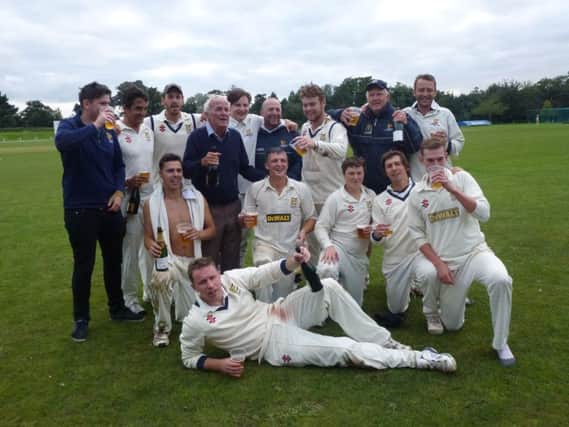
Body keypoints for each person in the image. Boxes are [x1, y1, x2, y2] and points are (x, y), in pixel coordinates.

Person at [179, 248, 457, 376]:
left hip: (279, 312)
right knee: (344, 349)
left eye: (213, 277)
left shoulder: (230, 279)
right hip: (269, 345)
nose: (212, 285)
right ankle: (419, 359)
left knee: (328, 286)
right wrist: (218, 365)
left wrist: (293, 261)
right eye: (203, 282)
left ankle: (386, 342)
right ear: (194, 286)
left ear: (218, 273)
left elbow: (263, 273)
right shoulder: (196, 320)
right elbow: (189, 356)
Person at [407, 138, 515, 367]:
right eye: (431, 161)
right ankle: (451, 305)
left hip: (475, 253)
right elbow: (417, 235)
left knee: (501, 279)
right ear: (421, 160)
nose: (436, 165)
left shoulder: (462, 178)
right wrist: (439, 264)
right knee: (452, 325)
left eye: (440, 159)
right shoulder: (417, 193)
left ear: (446, 156)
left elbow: (484, 214)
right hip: (448, 262)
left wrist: (452, 188)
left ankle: (500, 343)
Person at [55, 81, 144, 342]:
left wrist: (118, 191)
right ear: (87, 104)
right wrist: (94, 126)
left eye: (108, 103)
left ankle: (116, 308)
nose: (108, 108)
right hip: (80, 208)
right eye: (102, 103)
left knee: (113, 260)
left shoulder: (109, 132)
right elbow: (64, 144)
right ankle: (81, 319)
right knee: (84, 264)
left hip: (110, 207)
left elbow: (118, 165)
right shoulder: (70, 127)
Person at [182, 95, 265, 272]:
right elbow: (186, 169)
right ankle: (208, 296)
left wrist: (269, 176)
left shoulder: (234, 137)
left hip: (233, 206)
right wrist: (202, 163)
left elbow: (244, 168)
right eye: (218, 109)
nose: (224, 113)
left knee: (232, 259)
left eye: (226, 110)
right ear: (207, 114)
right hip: (207, 208)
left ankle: (230, 296)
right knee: (208, 258)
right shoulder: (197, 137)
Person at [143, 153, 216, 347]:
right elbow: (148, 236)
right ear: (161, 174)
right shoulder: (152, 202)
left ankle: (187, 311)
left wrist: (199, 234)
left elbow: (211, 229)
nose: (175, 175)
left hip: (194, 262)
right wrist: (151, 245)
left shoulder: (196, 197)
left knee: (191, 319)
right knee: (161, 278)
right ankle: (161, 329)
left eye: (178, 170)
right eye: (170, 171)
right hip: (170, 259)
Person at [241, 147, 316, 302]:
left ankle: (278, 319)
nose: (279, 164)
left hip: (289, 249)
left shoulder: (300, 188)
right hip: (264, 245)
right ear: (267, 165)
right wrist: (243, 220)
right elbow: (245, 217)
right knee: (263, 270)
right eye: (274, 161)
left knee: (282, 297)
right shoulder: (256, 188)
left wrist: (303, 233)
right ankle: (262, 315)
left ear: (287, 165)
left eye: (283, 161)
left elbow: (311, 218)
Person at [333, 79, 423, 195]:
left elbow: (415, 146)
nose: (375, 98)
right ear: (367, 98)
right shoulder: (357, 118)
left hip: (395, 188)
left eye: (379, 94)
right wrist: (339, 113)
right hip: (364, 189)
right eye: (371, 95)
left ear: (387, 96)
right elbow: (325, 117)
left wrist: (407, 124)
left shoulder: (398, 117)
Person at [295, 83, 348, 261]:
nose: (308, 108)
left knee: (332, 247)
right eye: (305, 105)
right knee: (312, 246)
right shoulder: (304, 127)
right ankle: (316, 286)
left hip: (330, 196)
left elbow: (341, 151)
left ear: (323, 102)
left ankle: (337, 284)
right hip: (309, 197)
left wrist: (315, 144)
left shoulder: (335, 128)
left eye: (312, 104)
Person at [370, 150, 422, 327]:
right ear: (385, 172)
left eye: (397, 164)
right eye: (389, 166)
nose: (394, 168)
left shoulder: (422, 190)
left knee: (430, 274)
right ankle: (409, 286)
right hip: (396, 258)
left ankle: (433, 310)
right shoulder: (380, 200)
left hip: (422, 253)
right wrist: (376, 234)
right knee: (396, 309)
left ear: (406, 166)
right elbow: (378, 238)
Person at [314, 157, 375, 306]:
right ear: (344, 175)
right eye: (351, 173)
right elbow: (320, 226)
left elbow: (378, 223)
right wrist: (328, 246)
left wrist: (372, 230)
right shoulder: (335, 198)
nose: (356, 177)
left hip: (358, 256)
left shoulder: (371, 196)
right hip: (338, 248)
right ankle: (324, 306)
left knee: (355, 305)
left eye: (359, 173)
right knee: (326, 270)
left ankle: (342, 283)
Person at [116, 85, 154, 315]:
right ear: (125, 108)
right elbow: (107, 167)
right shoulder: (116, 132)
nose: (141, 114)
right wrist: (125, 181)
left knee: (151, 248)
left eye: (144, 109)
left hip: (150, 198)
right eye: (137, 109)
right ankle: (128, 298)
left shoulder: (148, 130)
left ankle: (150, 290)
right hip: (128, 198)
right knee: (129, 251)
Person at [403, 74, 465, 182]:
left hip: (443, 179)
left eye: (429, 90)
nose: (425, 94)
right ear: (414, 92)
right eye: (421, 90)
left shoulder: (445, 114)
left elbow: (459, 142)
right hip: (415, 180)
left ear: (435, 92)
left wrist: (445, 143)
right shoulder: (406, 114)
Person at [144, 83, 202, 186]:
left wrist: (208, 113)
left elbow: (217, 116)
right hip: (160, 185)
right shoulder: (151, 122)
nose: (174, 100)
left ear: (183, 100)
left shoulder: (194, 120)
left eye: (178, 97)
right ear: (163, 100)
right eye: (170, 97)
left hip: (187, 185)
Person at [255, 98, 302, 180]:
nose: (274, 113)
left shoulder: (292, 132)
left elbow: (301, 159)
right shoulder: (254, 133)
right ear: (261, 113)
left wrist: (288, 180)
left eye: (278, 110)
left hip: (289, 186)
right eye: (270, 109)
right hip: (260, 186)